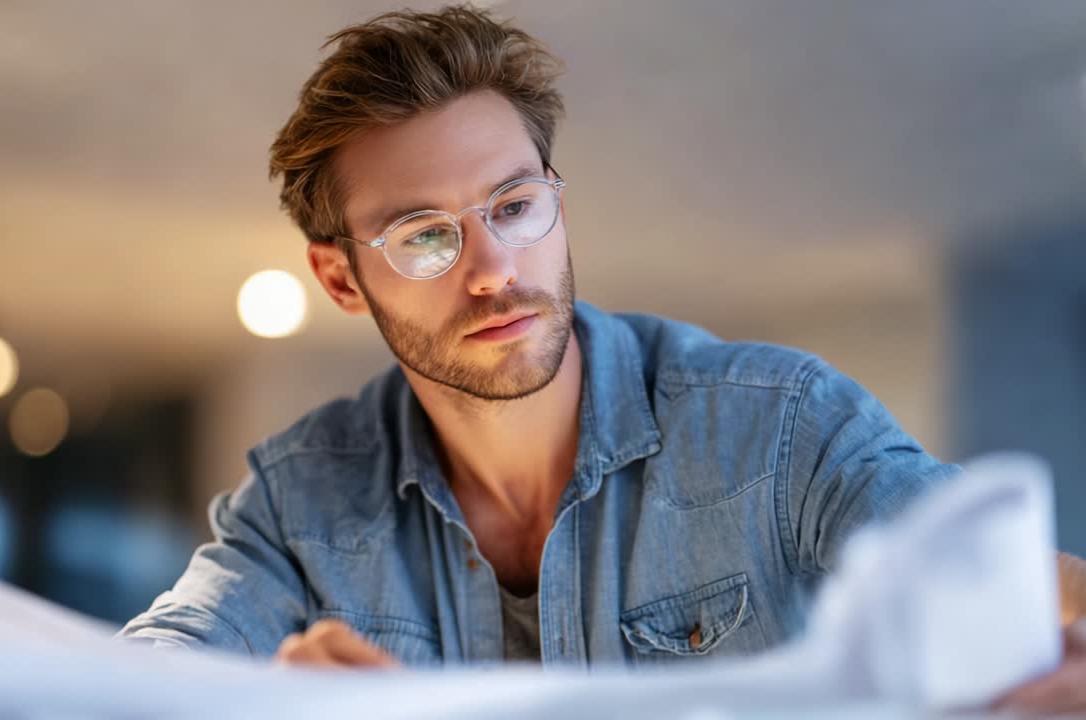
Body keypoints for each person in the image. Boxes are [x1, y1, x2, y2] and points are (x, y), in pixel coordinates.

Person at [119, 5, 1086, 711]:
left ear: (556, 203)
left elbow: (998, 575)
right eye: (423, 236)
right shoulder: (299, 504)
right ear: (338, 279)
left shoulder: (778, 429)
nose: (494, 270)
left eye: (513, 207)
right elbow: (129, 676)